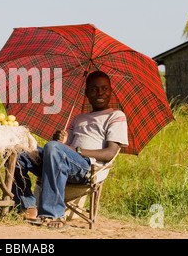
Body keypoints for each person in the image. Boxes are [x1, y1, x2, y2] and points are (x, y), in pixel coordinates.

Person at [11, 71, 129, 229]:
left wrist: (74, 150)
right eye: (94, 89)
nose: (100, 92)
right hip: (64, 161)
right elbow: (62, 146)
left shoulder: (116, 116)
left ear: (110, 91)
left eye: (104, 88)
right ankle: (25, 206)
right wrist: (60, 140)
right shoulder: (78, 118)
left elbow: (109, 153)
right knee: (18, 151)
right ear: (86, 93)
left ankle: (54, 214)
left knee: (53, 148)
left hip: (86, 167)